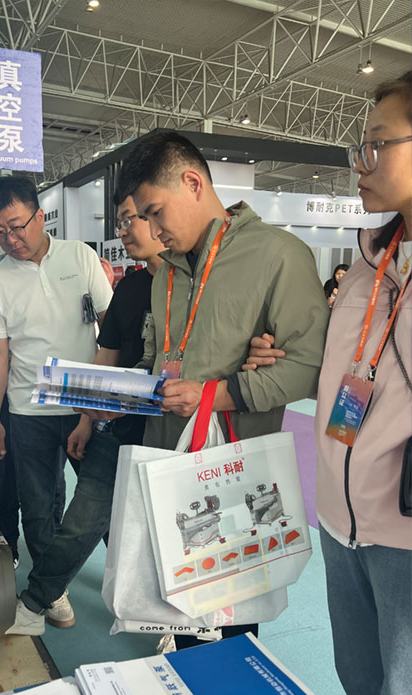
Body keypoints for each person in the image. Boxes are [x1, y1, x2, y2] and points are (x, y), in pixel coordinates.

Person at [244, 72, 412, 695]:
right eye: (358, 146)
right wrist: (283, 358)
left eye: (378, 145)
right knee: (363, 682)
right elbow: (350, 376)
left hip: (405, 532)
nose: (359, 163)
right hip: (344, 520)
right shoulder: (372, 262)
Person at [117, 130, 329, 647]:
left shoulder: (278, 255)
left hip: (235, 473)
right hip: (169, 462)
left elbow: (309, 368)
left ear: (193, 183)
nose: (151, 230)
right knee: (179, 611)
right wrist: (124, 392)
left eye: (155, 212)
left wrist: (218, 394)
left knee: (231, 629)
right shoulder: (166, 274)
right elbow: (159, 355)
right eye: (143, 217)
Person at [5, 192, 164, 635]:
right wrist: (88, 418)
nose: (124, 230)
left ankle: (164, 614)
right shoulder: (130, 288)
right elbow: (106, 355)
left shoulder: (195, 290)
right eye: (120, 221)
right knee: (81, 520)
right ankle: (35, 602)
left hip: (173, 434)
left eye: (132, 219)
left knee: (155, 528)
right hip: (118, 429)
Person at [0, 176, 112, 628]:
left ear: (40, 216)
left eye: (16, 226)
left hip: (85, 407)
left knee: (104, 506)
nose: (10, 239)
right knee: (36, 508)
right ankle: (53, 592)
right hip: (28, 412)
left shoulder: (80, 257)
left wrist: (96, 407)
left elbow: (110, 331)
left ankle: (128, 585)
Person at [0, 256, 66, 567]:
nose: (10, 237)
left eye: (16, 230)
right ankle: (8, 546)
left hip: (58, 390)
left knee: (54, 478)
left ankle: (53, 554)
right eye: (1, 232)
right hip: (8, 390)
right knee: (7, 475)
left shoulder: (68, 262)